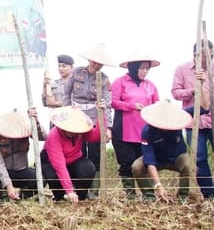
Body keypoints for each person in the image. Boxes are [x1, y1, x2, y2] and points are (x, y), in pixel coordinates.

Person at [171, 40, 214, 202]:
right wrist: (194, 90)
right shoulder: (182, 69)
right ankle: (210, 195)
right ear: (196, 55)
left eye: (212, 55)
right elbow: (175, 92)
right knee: (200, 159)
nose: (210, 58)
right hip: (194, 123)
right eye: (206, 56)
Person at [63, 43, 116, 199]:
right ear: (89, 60)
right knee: (78, 154)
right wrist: (67, 114)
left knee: (95, 155)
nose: (96, 64)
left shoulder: (105, 79)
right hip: (76, 117)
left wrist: (108, 127)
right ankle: (79, 190)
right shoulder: (76, 73)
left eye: (99, 63)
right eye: (94, 61)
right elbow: (66, 94)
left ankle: (93, 191)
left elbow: (107, 105)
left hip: (94, 119)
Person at [110, 49, 160, 198]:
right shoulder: (120, 82)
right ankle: (130, 195)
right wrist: (130, 105)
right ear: (133, 67)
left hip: (144, 132)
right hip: (124, 131)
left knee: (144, 164)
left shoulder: (151, 85)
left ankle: (148, 194)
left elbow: (157, 104)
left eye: (147, 68)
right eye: (142, 68)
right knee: (126, 164)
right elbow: (112, 102)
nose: (145, 72)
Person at [132, 100, 196, 203]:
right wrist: (159, 185)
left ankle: (183, 196)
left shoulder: (178, 118)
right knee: (137, 166)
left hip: (177, 157)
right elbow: (150, 161)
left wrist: (202, 86)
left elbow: (203, 109)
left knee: (189, 165)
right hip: (157, 160)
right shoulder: (147, 132)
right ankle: (149, 196)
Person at [0, 108, 45, 202]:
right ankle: (4, 196)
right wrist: (8, 186)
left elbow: (43, 137)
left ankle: (20, 196)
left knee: (40, 179)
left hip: (21, 170)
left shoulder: (25, 129)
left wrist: (35, 122)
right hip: (2, 171)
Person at [41, 105, 99, 203]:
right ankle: (59, 197)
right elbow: (60, 167)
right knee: (54, 177)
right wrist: (69, 191)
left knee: (88, 169)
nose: (73, 131)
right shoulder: (53, 137)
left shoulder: (80, 130)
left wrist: (101, 115)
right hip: (52, 163)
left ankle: (80, 197)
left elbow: (95, 137)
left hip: (74, 159)